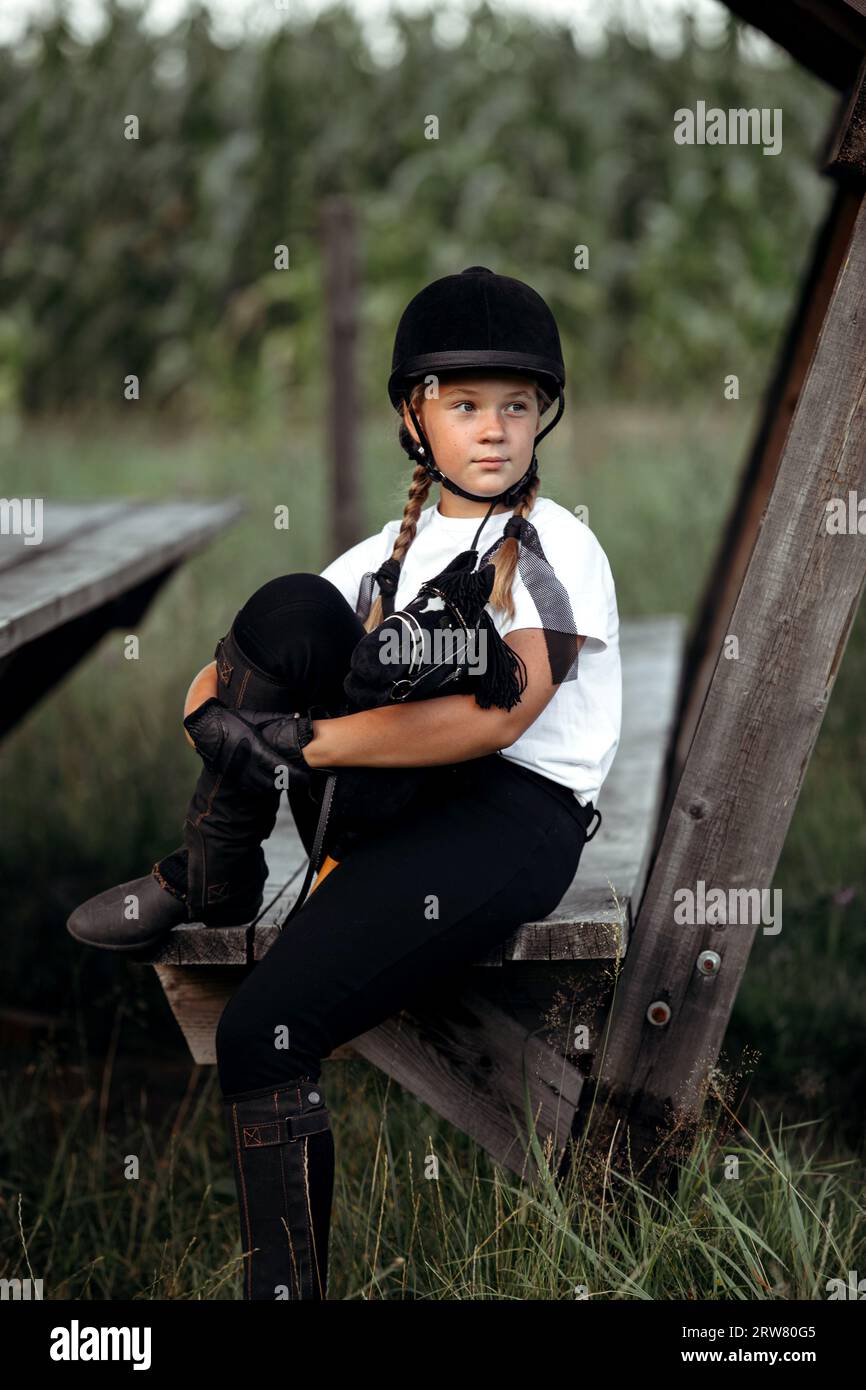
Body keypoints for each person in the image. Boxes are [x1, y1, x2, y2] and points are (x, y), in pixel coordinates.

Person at [66, 266, 622, 1301]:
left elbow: (505, 711)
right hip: (376, 808)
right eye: (464, 404)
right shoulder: (378, 557)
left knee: (259, 1031)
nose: (494, 429)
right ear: (413, 415)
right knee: (287, 608)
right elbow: (214, 679)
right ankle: (214, 871)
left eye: (515, 405)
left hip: (508, 815)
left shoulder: (556, 546)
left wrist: (296, 743)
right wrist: (229, 724)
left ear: (542, 415)